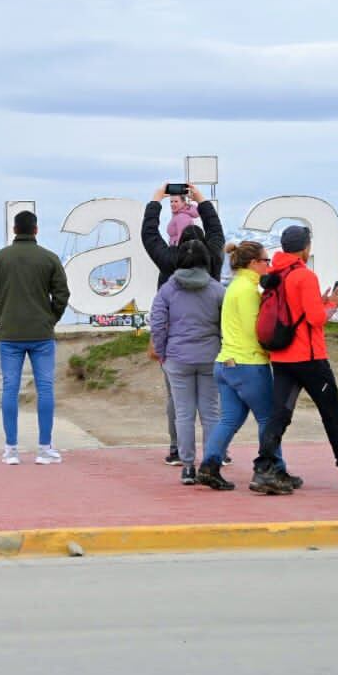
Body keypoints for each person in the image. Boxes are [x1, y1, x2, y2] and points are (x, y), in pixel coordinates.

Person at [250, 224, 338, 495]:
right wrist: (332, 304)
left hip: (281, 356)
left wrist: (318, 302)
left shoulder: (274, 273)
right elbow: (315, 319)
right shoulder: (304, 275)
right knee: (332, 413)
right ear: (305, 248)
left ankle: (264, 469)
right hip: (309, 357)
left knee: (280, 414)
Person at [196, 241, 298, 491]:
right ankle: (275, 469)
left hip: (225, 362)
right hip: (249, 364)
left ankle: (210, 464)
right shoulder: (250, 289)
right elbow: (258, 329)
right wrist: (274, 349)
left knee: (229, 419)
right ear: (253, 263)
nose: (269, 266)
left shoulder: (233, 286)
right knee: (268, 419)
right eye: (266, 261)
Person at [142, 184, 226, 466]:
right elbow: (216, 231)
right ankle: (216, 455)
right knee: (212, 408)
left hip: (176, 352)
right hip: (211, 351)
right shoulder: (214, 263)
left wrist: (156, 199)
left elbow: (149, 235)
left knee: (179, 406)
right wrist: (201, 200)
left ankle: (179, 453)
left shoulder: (168, 262)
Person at [0, 210, 71, 465]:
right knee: (45, 388)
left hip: (9, 334)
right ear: (36, 230)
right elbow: (62, 294)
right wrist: (50, 318)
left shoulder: (0, 259)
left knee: (10, 387)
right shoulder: (49, 258)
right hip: (41, 334)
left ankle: (11, 449)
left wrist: (0, 317)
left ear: (14, 229)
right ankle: (45, 448)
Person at [149, 240, 224, 485]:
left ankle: (188, 466)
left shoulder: (167, 291)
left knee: (183, 414)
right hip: (210, 357)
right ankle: (211, 464)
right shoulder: (216, 290)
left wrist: (162, 353)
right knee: (211, 413)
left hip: (177, 359)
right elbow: (227, 326)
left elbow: (158, 325)